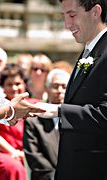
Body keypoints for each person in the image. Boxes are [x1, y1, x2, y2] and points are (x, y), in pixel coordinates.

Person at [31, 0, 107, 179]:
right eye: (64, 16)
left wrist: (58, 110)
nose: (67, 25)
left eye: (72, 15)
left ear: (96, 12)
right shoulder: (90, 50)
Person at [0, 85, 45, 180]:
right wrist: (9, 110)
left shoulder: (33, 103)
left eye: (18, 84)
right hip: (4, 154)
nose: (14, 88)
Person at [23, 69, 70, 180]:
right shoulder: (34, 119)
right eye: (55, 86)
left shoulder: (77, 118)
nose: (59, 91)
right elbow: (34, 155)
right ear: (47, 89)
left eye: (64, 87)